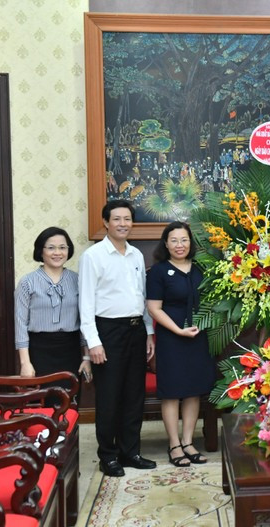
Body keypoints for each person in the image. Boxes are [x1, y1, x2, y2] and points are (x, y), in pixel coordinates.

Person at [79, 200, 156, 477]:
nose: (123, 224)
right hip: (107, 332)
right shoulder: (93, 256)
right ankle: (108, 455)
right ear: (106, 223)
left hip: (135, 330)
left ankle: (130, 451)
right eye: (117, 219)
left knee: (133, 395)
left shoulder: (135, 254)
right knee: (110, 396)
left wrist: (148, 331)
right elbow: (86, 304)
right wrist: (94, 342)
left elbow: (141, 297)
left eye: (127, 219)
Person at [146, 221, 215, 467]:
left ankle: (188, 442)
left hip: (197, 336)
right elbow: (153, 308)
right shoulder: (158, 272)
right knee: (172, 392)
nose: (179, 245)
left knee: (193, 390)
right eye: (174, 240)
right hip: (171, 337)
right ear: (166, 244)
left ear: (190, 243)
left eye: (184, 240)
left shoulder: (200, 269)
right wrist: (177, 330)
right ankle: (174, 445)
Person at [15, 227, 91, 403]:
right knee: (42, 406)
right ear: (41, 251)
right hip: (39, 351)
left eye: (62, 247)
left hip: (70, 350)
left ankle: (67, 432)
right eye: (51, 248)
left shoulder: (77, 280)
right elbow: (20, 324)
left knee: (68, 404)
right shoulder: (27, 282)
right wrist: (25, 363)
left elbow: (85, 321)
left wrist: (86, 357)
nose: (58, 252)